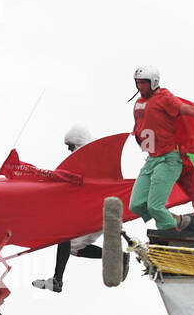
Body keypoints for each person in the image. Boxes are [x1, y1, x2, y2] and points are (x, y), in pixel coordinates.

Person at [128, 66, 194, 231]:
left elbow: (187, 110)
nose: (140, 87)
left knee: (155, 206)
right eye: (137, 83)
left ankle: (171, 231)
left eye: (143, 83)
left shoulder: (164, 97)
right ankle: (177, 222)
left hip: (169, 159)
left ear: (153, 83)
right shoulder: (139, 104)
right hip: (152, 159)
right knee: (137, 204)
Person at [32, 125, 129, 292]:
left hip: (99, 208)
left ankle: (57, 280)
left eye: (71, 147)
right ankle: (119, 257)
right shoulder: (83, 163)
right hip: (93, 209)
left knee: (66, 235)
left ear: (78, 143)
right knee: (73, 248)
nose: (70, 151)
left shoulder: (96, 160)